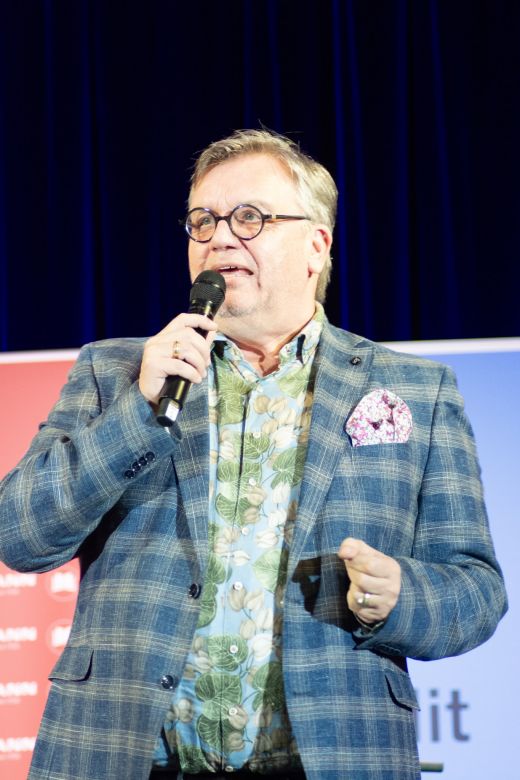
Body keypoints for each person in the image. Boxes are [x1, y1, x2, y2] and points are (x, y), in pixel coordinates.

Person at [0, 129, 507, 780]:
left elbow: (476, 591)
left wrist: (398, 596)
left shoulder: (414, 391)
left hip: (330, 758)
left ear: (316, 245)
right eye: (202, 221)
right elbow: (20, 535)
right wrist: (139, 410)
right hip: (123, 754)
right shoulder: (116, 372)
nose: (219, 238)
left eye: (249, 218)